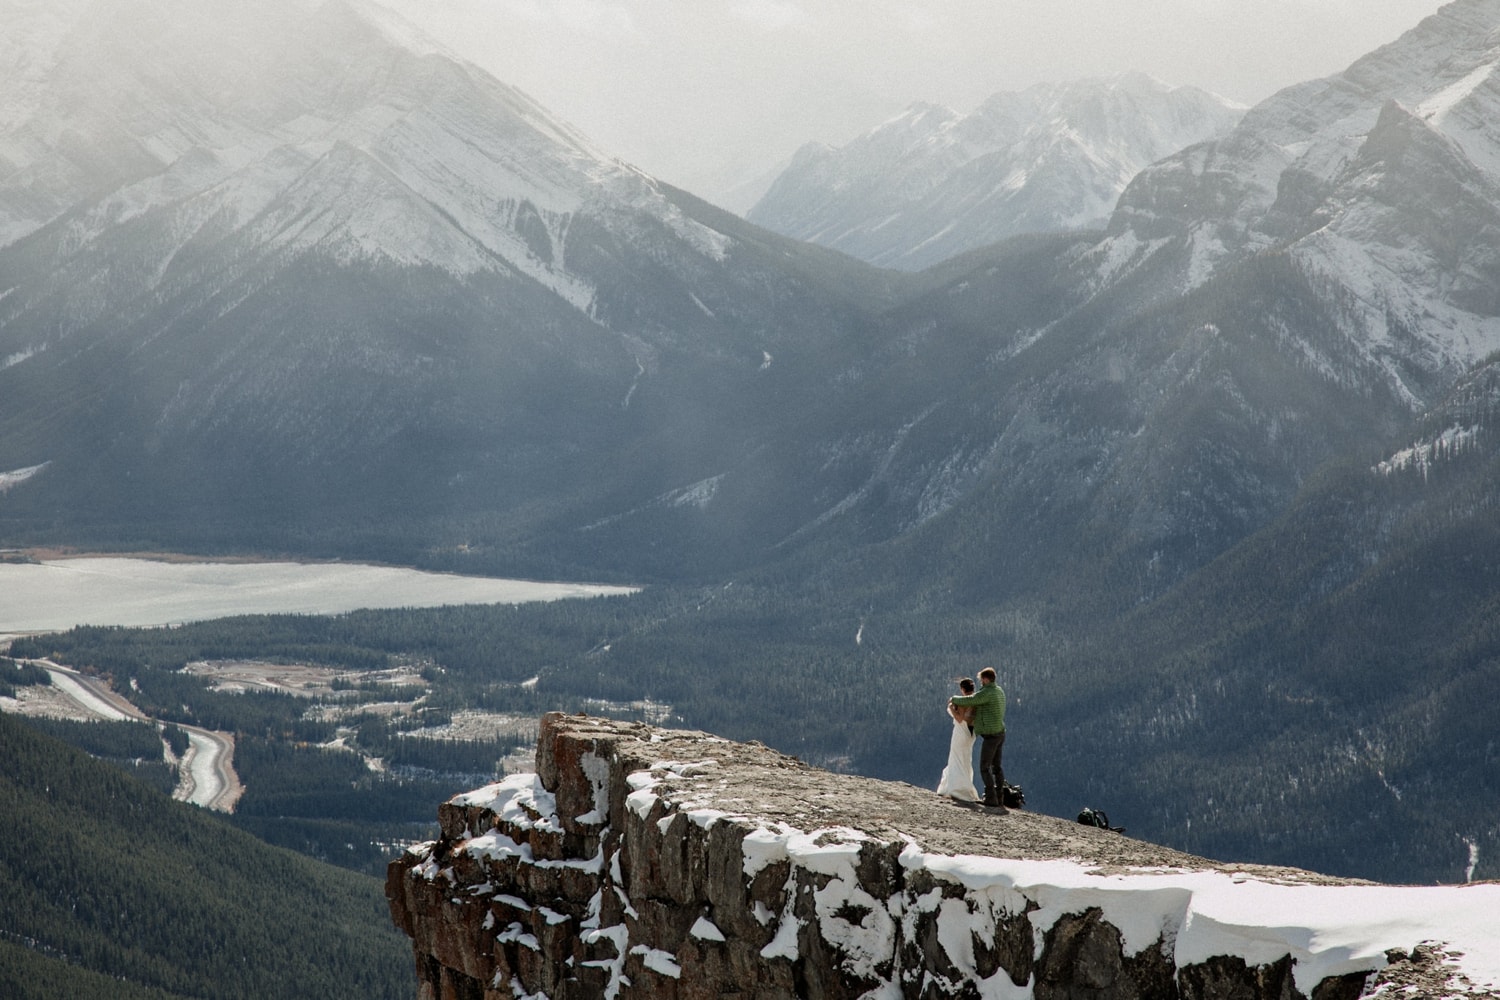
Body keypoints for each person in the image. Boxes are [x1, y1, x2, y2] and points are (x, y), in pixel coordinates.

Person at [949, 666, 1006, 808]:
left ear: (986, 679)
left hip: (991, 736)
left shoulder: (986, 693)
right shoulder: (999, 691)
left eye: (981, 679)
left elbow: (969, 700)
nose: (980, 682)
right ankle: (999, 797)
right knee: (996, 767)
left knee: (984, 767)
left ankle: (991, 798)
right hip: (1000, 732)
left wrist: (953, 699)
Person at [935, 678, 980, 801]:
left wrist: (950, 707)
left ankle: (956, 788)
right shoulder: (977, 701)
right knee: (966, 759)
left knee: (956, 758)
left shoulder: (963, 701)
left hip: (961, 731)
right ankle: (964, 786)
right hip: (971, 732)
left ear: (962, 689)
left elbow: (959, 718)